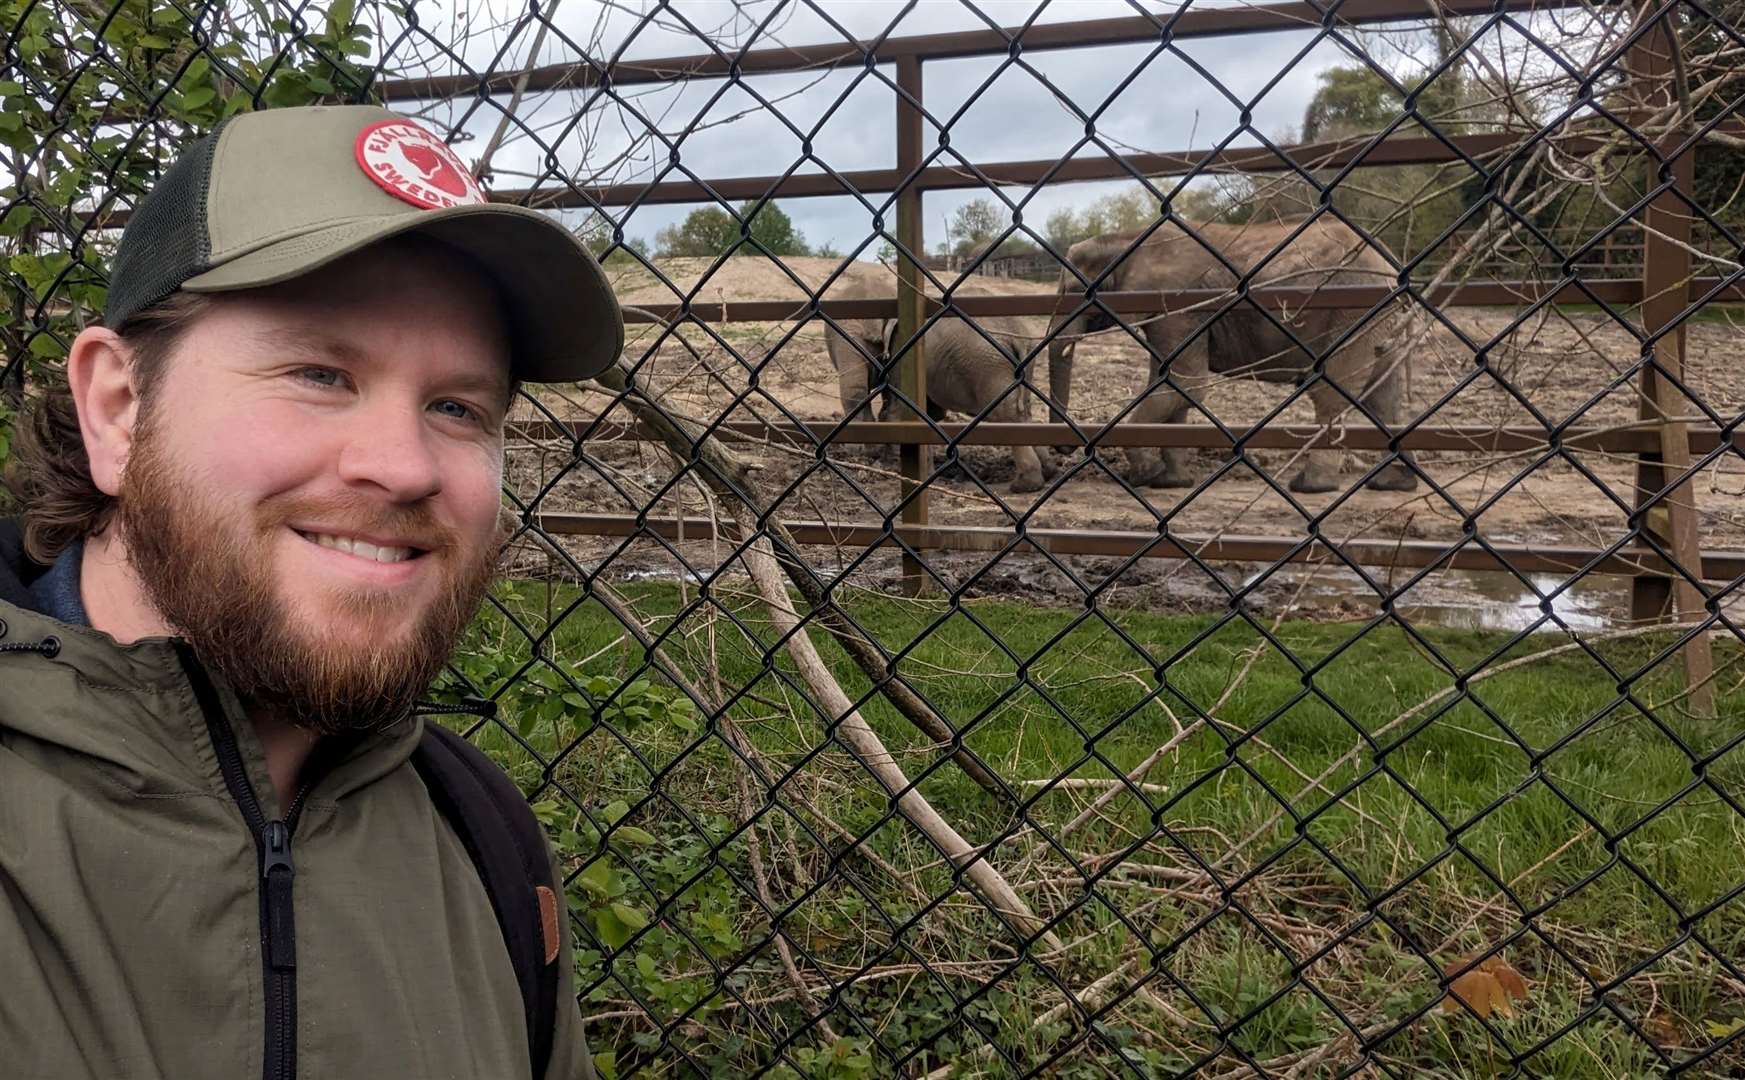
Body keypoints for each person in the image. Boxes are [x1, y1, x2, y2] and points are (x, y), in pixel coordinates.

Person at [0, 105, 622, 1079]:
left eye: (457, 407)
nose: (404, 467)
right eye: (320, 372)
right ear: (117, 410)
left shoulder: (485, 847)